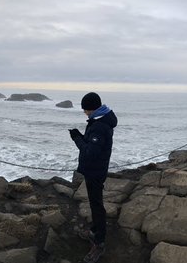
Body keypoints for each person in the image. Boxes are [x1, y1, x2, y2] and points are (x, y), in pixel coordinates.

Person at [69, 92, 117, 261]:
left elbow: (90, 152)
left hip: (95, 171)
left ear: (92, 108)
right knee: (95, 203)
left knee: (97, 206)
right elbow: (92, 146)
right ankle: (95, 232)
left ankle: (99, 242)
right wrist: (82, 137)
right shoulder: (100, 120)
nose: (85, 113)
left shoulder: (99, 126)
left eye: (85, 109)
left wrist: (76, 139)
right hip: (96, 169)